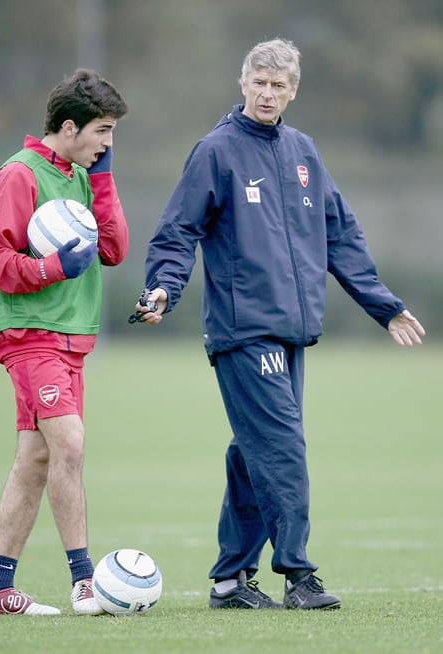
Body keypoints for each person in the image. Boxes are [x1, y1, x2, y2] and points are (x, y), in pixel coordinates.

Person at [131, 38, 425, 610]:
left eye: (279, 85)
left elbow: (340, 235)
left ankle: (229, 582)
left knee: (255, 452)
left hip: (291, 332)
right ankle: (298, 575)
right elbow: (177, 231)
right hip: (245, 332)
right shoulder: (215, 151)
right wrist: (163, 286)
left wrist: (382, 304)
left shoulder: (304, 152)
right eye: (259, 82)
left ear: (293, 90)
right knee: (283, 449)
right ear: (243, 83)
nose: (268, 93)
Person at [0, 68, 129, 615]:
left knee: (37, 458)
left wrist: (104, 180)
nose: (108, 143)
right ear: (70, 126)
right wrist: (52, 267)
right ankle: (86, 583)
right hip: (29, 336)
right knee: (70, 444)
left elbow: (113, 250)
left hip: (69, 340)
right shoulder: (21, 175)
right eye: (103, 132)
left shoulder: (82, 177)